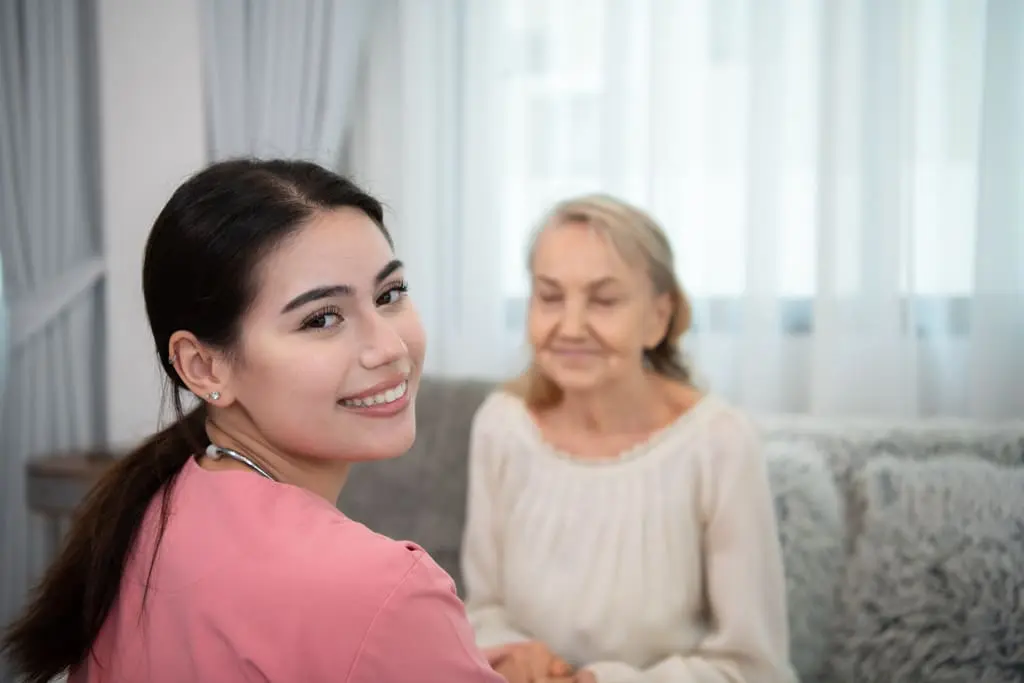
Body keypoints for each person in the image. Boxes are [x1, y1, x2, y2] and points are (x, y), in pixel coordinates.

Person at [1, 159, 505, 683]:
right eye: (322, 318)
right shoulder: (385, 592)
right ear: (204, 366)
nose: (390, 347)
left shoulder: (149, 510)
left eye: (389, 295)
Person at [462, 195, 798, 683]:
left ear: (658, 318)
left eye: (604, 300)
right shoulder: (501, 425)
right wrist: (514, 655)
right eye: (550, 296)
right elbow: (483, 610)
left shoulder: (720, 443)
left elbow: (753, 666)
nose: (570, 327)